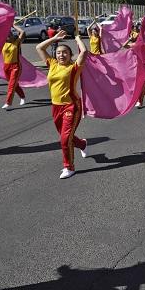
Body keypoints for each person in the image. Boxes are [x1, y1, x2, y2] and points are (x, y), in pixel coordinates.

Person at [36, 30, 89, 179]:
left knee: (65, 139)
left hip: (71, 106)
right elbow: (39, 48)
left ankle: (69, 167)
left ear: (70, 55)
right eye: (59, 52)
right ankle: (82, 144)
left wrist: (78, 38)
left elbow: (84, 52)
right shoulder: (52, 64)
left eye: (65, 52)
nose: (61, 55)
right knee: (67, 136)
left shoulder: (74, 67)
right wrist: (54, 38)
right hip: (56, 106)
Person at [122, 29, 145, 108]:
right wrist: (129, 39)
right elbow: (124, 46)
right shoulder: (134, 45)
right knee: (143, 83)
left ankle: (140, 101)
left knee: (141, 83)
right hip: (137, 68)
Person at [1, 22, 27, 109]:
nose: (8, 37)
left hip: (15, 67)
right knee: (14, 84)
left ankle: (8, 102)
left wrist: (13, 25)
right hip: (6, 67)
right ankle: (22, 96)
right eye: (6, 36)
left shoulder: (17, 42)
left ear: (12, 35)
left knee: (11, 85)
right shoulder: (2, 43)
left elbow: (22, 32)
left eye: (9, 35)